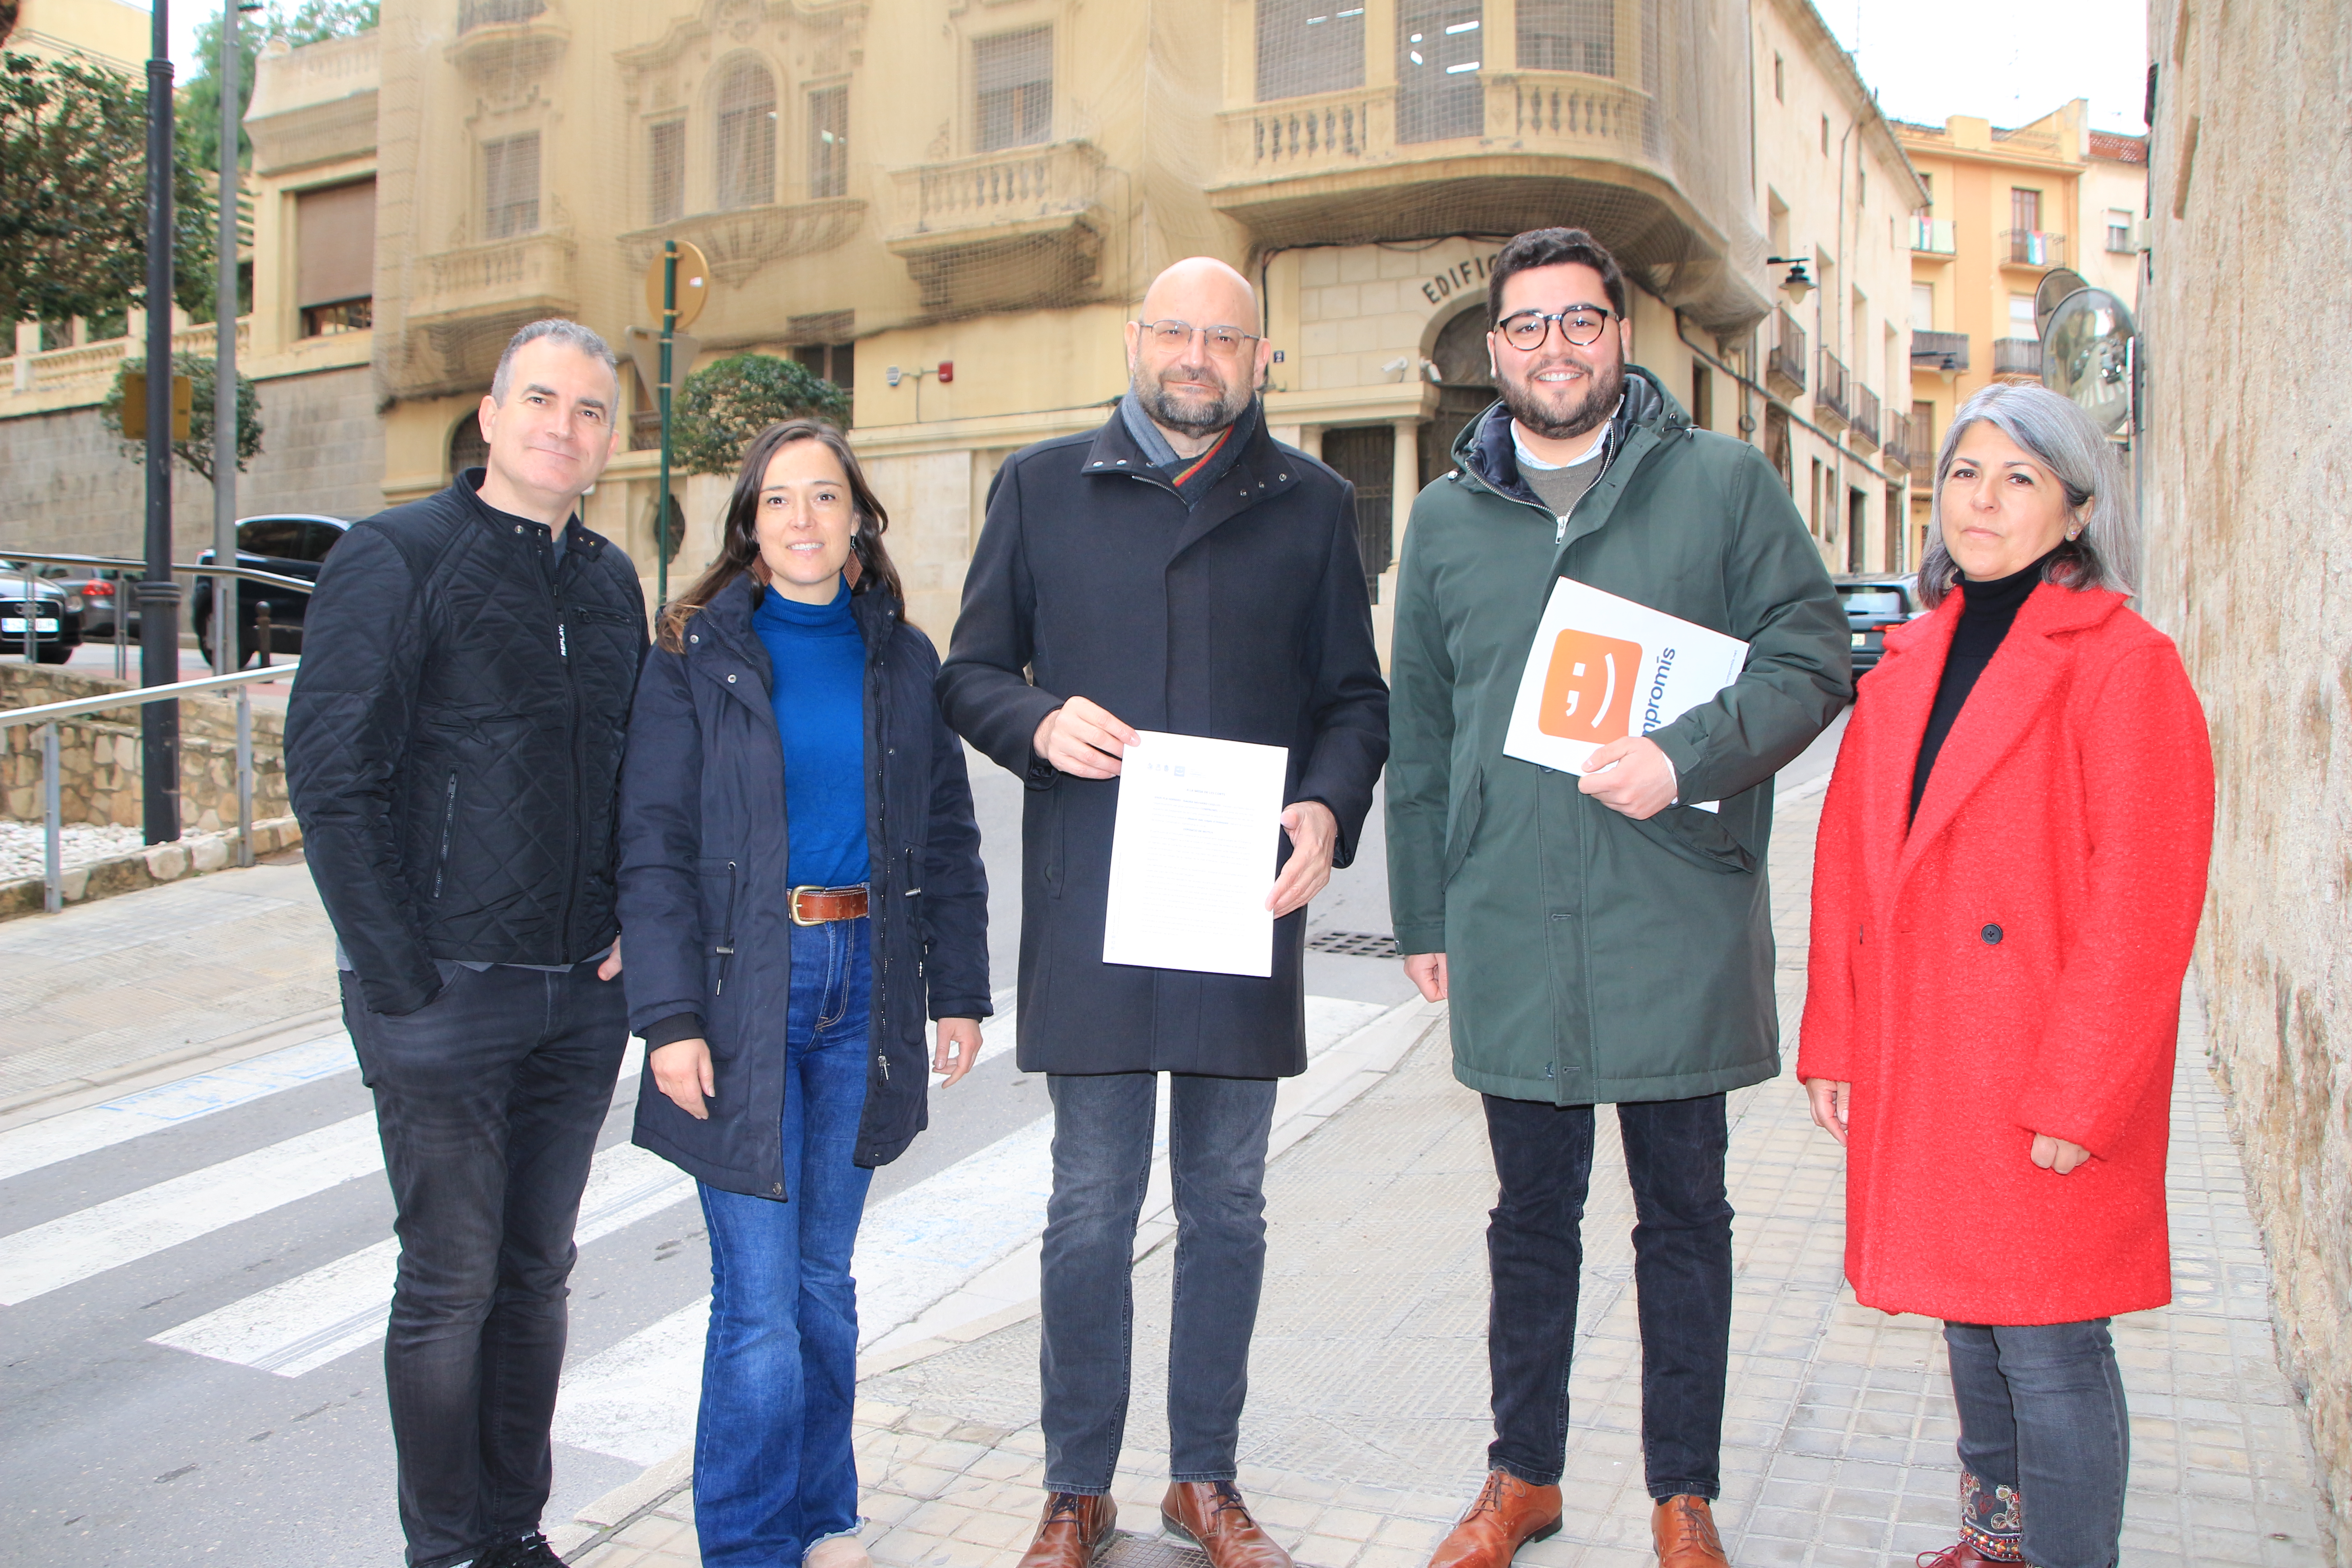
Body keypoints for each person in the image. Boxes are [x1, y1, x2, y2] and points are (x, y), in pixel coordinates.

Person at [1384, 228, 1852, 1568]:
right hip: (1512, 920)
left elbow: (1814, 655)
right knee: (1530, 1221)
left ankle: (1682, 1493)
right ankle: (1522, 1476)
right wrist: (1424, 915)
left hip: (1670, 914)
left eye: (1579, 322)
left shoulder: (1723, 485)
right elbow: (1422, 736)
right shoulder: (1446, 523)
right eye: (1527, 328)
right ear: (1494, 356)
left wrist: (1683, 753)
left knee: (1684, 1218)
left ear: (1622, 337)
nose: (1555, 349)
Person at [937, 256, 1388, 1568]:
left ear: (1261, 360)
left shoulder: (1310, 505)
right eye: (1176, 332)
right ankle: (1076, 1486)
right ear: (1138, 340)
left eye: (1225, 338)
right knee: (1088, 1206)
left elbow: (1355, 702)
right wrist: (1037, 720)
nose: (1198, 356)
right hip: (1097, 906)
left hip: (1240, 905)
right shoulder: (1039, 487)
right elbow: (968, 673)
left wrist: (1325, 809)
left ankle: (1205, 1480)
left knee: (1230, 1206)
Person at [1798, 383, 2213, 1568]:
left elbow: (2147, 906)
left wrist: (2085, 1098)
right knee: (1971, 1321)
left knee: (2050, 1346)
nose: (1984, 499)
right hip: (1931, 1056)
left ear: (2078, 512)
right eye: (1969, 471)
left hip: (2040, 1065)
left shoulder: (2125, 667)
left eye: (2021, 478)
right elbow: (1846, 859)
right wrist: (1836, 1033)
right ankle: (1997, 1542)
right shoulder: (1912, 657)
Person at [286, 319, 644, 1568]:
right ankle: (443, 1552)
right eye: (542, 400)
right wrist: (400, 980)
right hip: (441, 991)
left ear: (613, 440)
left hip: (575, 997)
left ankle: (513, 1532)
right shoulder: (397, 557)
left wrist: (625, 927)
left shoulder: (608, 584)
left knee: (537, 1276)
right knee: (450, 1282)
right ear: (491, 418)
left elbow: (626, 775)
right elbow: (331, 777)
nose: (566, 425)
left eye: (592, 410)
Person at [616, 418, 991, 1568]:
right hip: (744, 993)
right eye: (779, 500)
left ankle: (823, 1515)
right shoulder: (695, 650)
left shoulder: (903, 658)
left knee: (824, 1285)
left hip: (866, 985)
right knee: (761, 1301)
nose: (803, 521)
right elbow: (654, 842)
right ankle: (744, 1543)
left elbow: (947, 835)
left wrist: (958, 994)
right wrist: (668, 1018)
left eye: (825, 498)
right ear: (750, 523)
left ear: (859, 519)